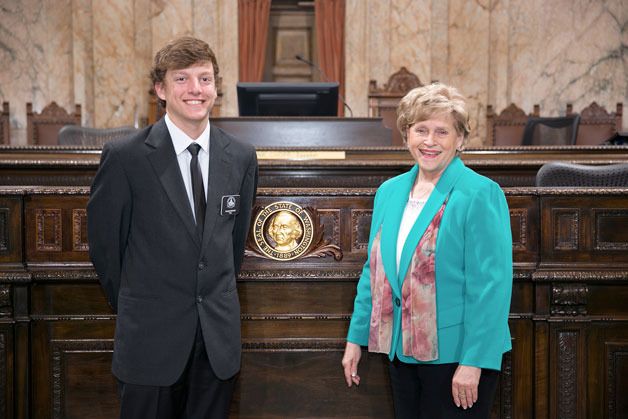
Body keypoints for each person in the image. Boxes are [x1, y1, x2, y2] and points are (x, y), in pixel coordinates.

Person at [87, 36, 258, 419]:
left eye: (205, 78)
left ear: (216, 87)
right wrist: (142, 305)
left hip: (216, 344)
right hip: (150, 340)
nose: (195, 89)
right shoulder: (126, 157)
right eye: (181, 79)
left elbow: (231, 247)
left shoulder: (242, 157)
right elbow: (106, 250)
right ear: (160, 89)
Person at [341, 83, 512, 418]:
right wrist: (355, 338)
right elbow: (373, 272)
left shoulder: (480, 194)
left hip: (455, 359)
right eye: (420, 130)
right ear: (407, 135)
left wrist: (473, 362)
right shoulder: (389, 192)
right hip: (400, 354)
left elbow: (491, 288)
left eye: (442, 132)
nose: (429, 141)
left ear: (460, 139)